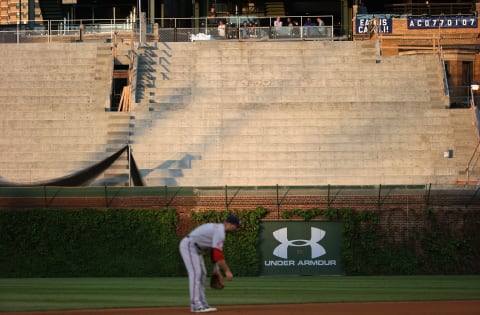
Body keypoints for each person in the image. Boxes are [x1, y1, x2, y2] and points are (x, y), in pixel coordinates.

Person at [179, 215, 241, 313]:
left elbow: (213, 252)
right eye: (236, 226)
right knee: (196, 274)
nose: (236, 229)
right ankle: (195, 305)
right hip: (189, 246)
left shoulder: (219, 230)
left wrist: (215, 269)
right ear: (229, 224)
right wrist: (227, 271)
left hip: (196, 249)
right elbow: (218, 254)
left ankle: (203, 303)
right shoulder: (220, 232)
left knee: (202, 273)